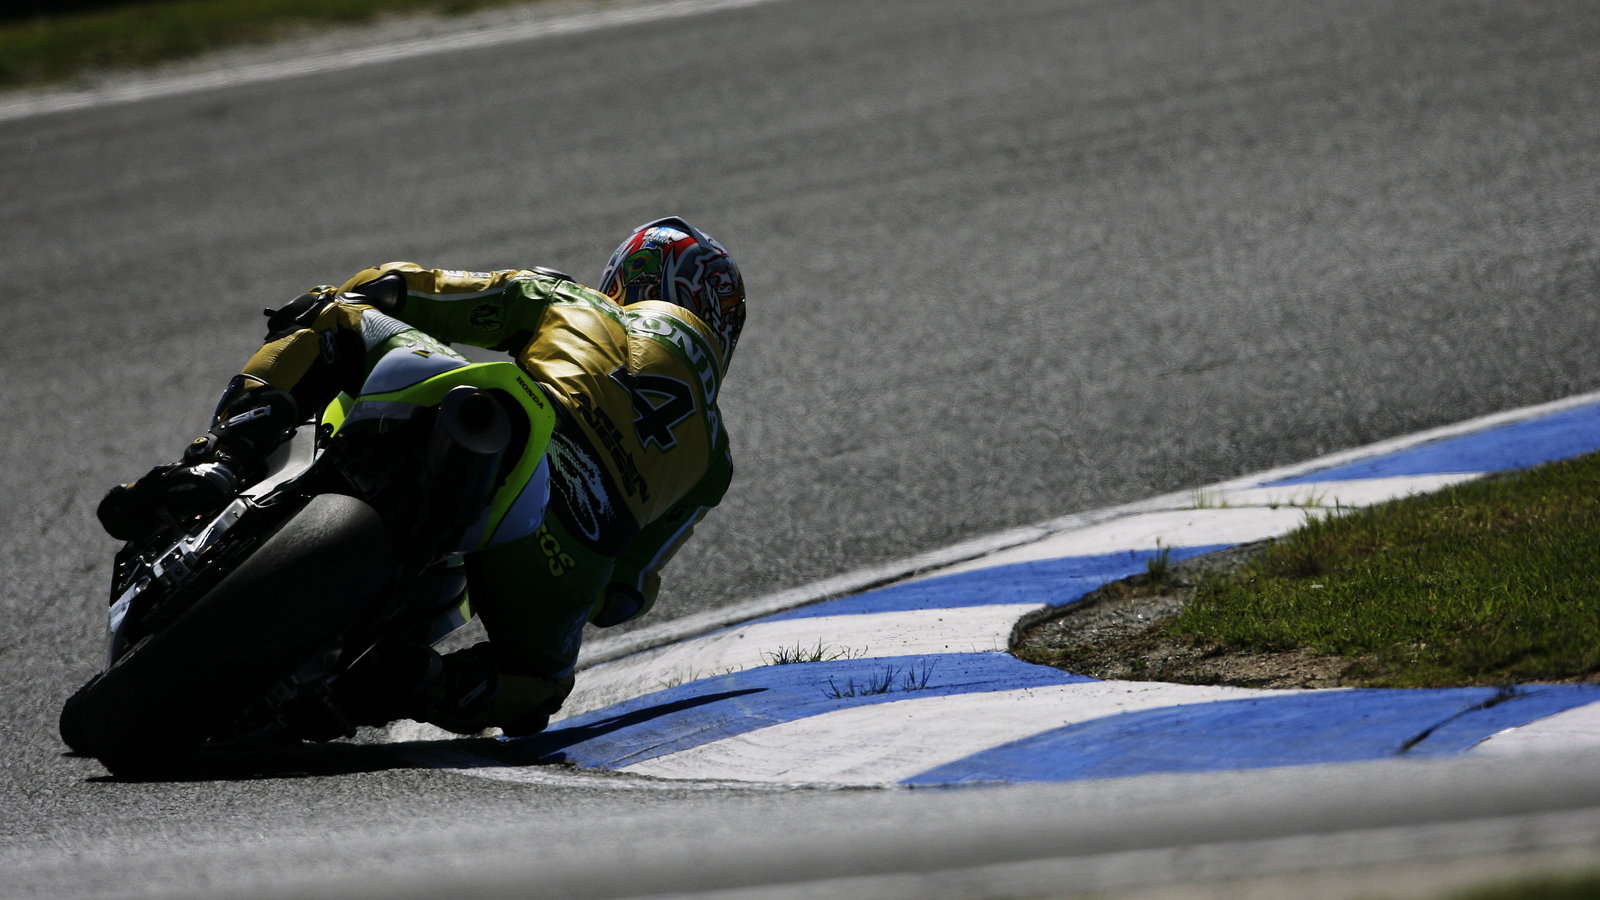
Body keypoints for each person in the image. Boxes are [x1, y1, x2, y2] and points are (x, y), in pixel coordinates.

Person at [96, 217, 745, 738]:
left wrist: (377, 293)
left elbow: (405, 288)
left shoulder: (577, 302)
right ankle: (423, 684)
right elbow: (623, 599)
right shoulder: (714, 460)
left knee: (335, 311)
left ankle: (226, 456)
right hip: (560, 561)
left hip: (512, 426)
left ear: (628, 279)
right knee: (542, 685)